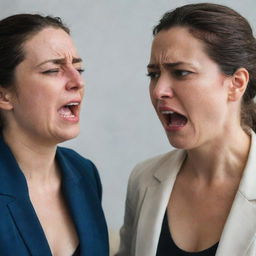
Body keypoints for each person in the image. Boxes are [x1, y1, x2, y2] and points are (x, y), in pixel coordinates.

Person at [116, 3, 256, 256]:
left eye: (181, 72)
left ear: (236, 84)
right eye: (154, 74)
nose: (159, 91)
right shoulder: (144, 179)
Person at [0, 14, 108, 256]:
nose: (77, 81)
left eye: (79, 68)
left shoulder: (84, 173)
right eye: (52, 70)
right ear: (4, 96)